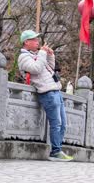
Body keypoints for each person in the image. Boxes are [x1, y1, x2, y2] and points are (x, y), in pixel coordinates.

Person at [18, 29, 73, 162]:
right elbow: (36, 69)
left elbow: (49, 68)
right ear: (26, 42)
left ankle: (58, 149)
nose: (37, 42)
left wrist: (50, 55)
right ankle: (56, 151)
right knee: (56, 123)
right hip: (46, 92)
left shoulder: (37, 54)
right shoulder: (24, 57)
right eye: (34, 40)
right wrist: (42, 53)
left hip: (55, 90)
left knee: (63, 123)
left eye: (37, 39)